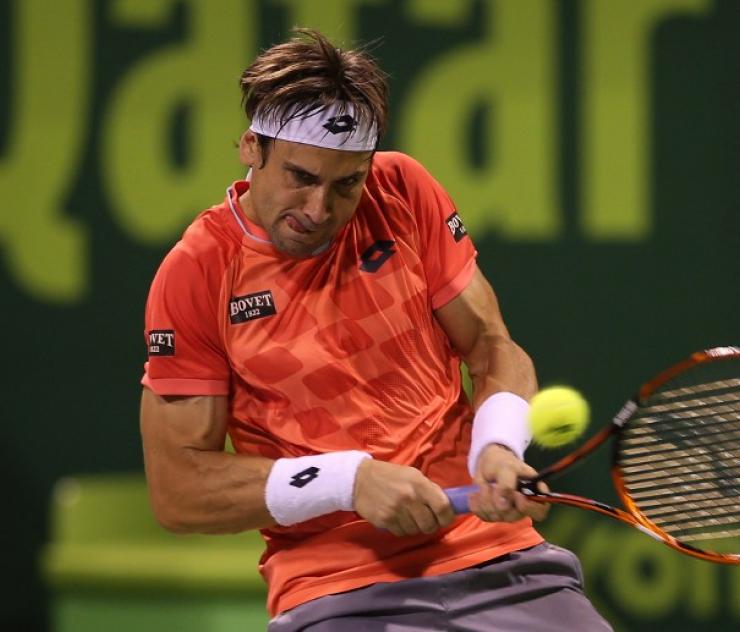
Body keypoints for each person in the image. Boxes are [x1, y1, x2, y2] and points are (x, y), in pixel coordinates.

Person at [140, 29, 611, 631]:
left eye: (346, 184)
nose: (319, 210)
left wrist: (497, 444)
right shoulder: (198, 271)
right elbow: (178, 490)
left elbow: (492, 345)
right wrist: (347, 481)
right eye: (301, 177)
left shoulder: (403, 190)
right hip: (338, 591)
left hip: (499, 558)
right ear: (250, 147)